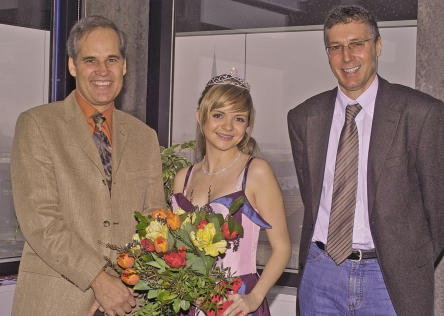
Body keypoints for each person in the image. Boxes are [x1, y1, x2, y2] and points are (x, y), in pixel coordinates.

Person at [288, 5, 444, 316]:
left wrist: (411, 262)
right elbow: (311, 193)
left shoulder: (422, 114)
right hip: (321, 274)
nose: (346, 57)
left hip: (389, 280)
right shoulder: (304, 117)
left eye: (357, 44)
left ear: (378, 46)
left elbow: (438, 211)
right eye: (336, 47)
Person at [10, 16, 165, 316]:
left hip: (127, 303)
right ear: (72, 66)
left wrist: (127, 283)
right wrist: (99, 280)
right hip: (56, 301)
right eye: (90, 60)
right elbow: (42, 221)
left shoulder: (144, 137)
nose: (102, 71)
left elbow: (153, 221)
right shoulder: (37, 125)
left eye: (111, 59)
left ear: (124, 66)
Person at [171, 73, 291, 316]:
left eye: (238, 118)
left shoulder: (256, 172)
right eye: (218, 115)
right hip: (188, 305)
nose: (227, 126)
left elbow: (282, 248)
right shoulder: (183, 177)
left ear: (247, 126)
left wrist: (255, 297)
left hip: (236, 304)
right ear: (200, 117)